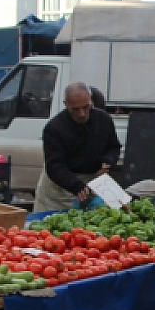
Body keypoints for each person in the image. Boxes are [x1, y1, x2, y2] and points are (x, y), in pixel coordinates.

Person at [35, 82, 122, 212]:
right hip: (60, 189)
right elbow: (54, 166)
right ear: (66, 104)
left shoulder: (104, 119)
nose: (82, 113)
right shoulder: (54, 128)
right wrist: (75, 185)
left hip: (91, 182)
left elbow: (114, 147)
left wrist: (108, 160)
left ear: (91, 100)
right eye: (75, 109)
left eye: (86, 107)